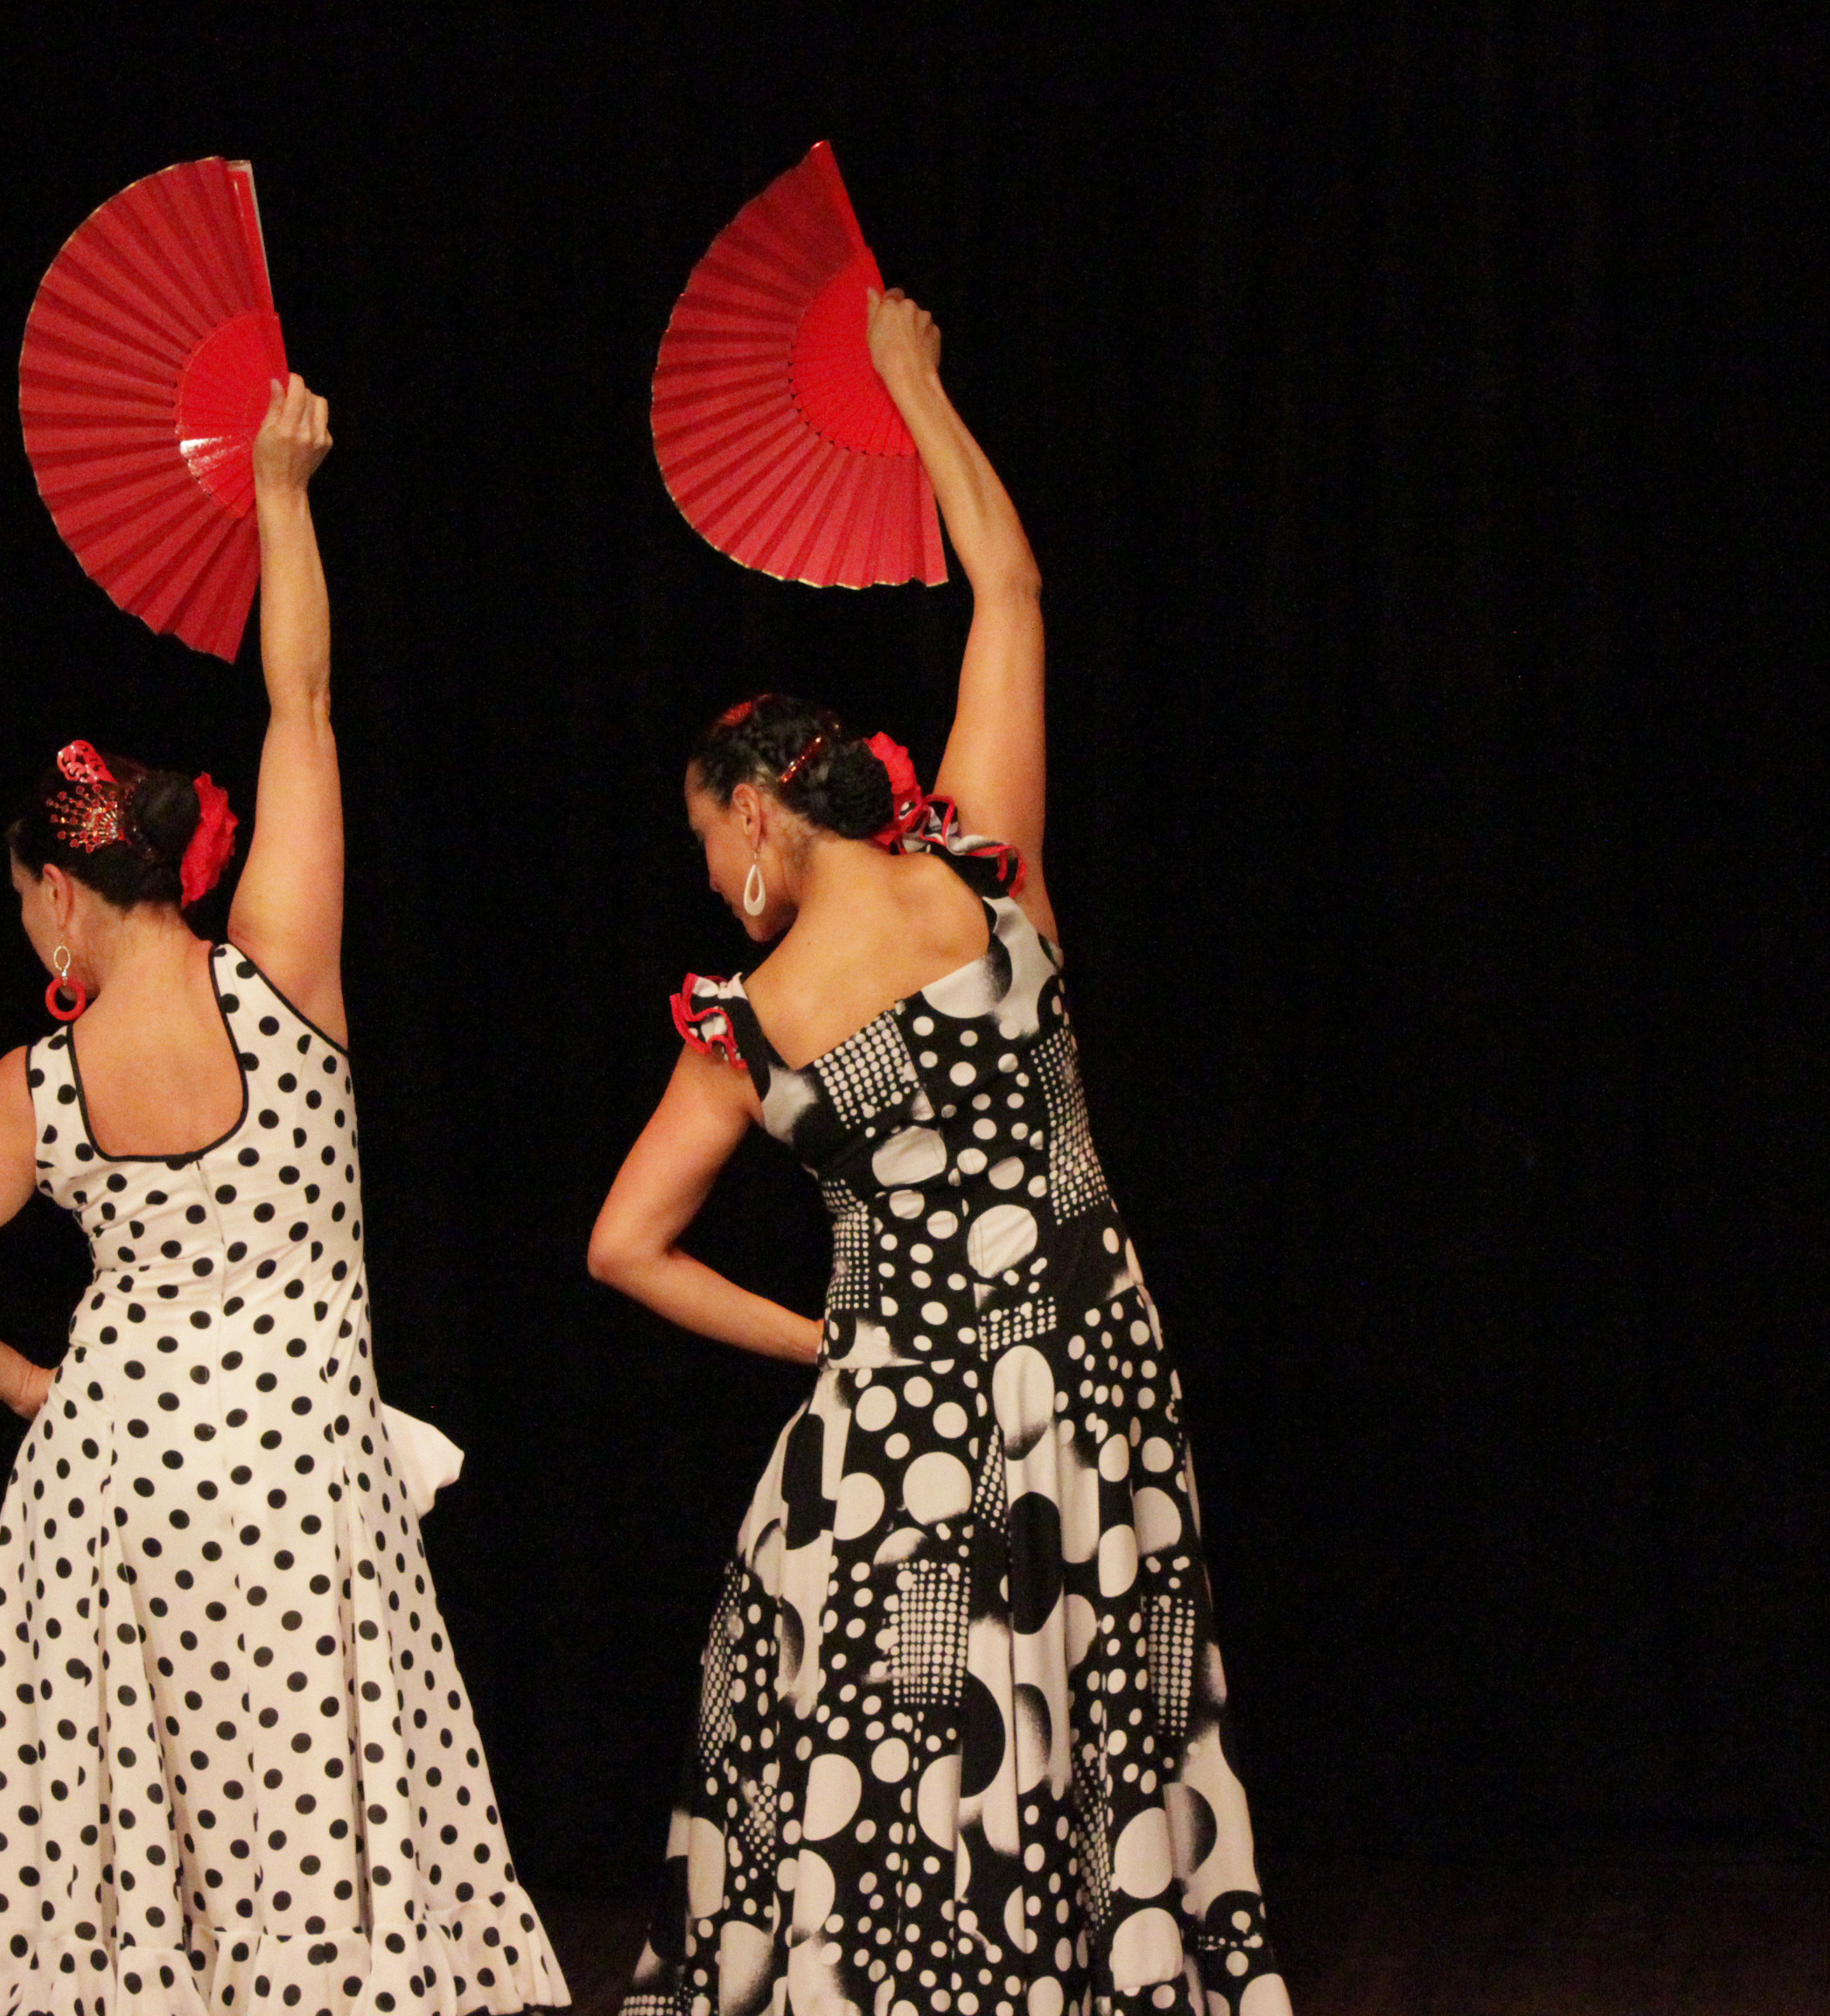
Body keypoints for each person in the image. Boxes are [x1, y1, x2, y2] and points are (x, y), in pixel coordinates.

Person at [590, 290, 1292, 2016]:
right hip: (1093, 1366)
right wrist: (918, 388)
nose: (708, 872)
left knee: (907, 1742)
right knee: (1098, 1702)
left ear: (755, 814)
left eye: (703, 837)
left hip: (898, 1427)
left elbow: (625, 1247)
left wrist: (825, 1339)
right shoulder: (989, 872)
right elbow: (1013, 589)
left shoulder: (756, 1018)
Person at [0, 379, 566, 2016]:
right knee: (309, 1817)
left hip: (116, 1489)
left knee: (127, 1852)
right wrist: (281, 496)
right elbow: (301, 705)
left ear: (55, 892)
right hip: (302, 1483)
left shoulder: (31, 1091)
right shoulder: (286, 982)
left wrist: (43, 1387)